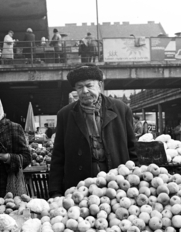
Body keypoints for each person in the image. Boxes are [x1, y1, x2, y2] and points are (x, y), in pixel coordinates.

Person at [49, 64, 137, 197]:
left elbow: (133, 149)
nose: (84, 91)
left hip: (116, 183)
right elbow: (58, 156)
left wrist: (137, 180)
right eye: (79, 87)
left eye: (89, 85)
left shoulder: (121, 109)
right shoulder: (65, 115)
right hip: (79, 186)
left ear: (100, 85)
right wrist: (55, 191)